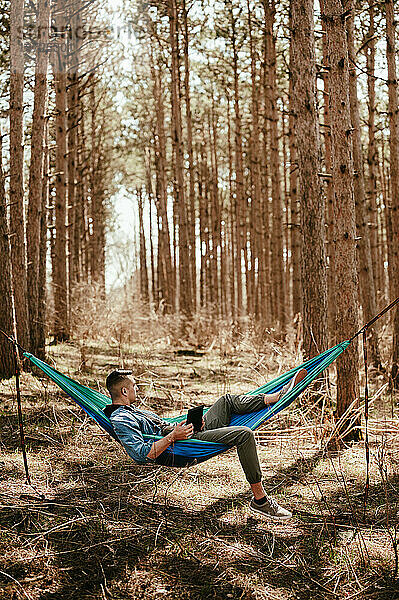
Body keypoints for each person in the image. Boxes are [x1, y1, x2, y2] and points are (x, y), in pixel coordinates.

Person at [103, 368, 307, 520]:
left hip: (182, 435)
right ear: (123, 391)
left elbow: (162, 427)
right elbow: (140, 454)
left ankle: (277, 396)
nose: (136, 389)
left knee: (227, 400)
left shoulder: (134, 410)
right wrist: (174, 436)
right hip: (179, 448)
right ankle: (260, 501)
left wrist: (185, 424)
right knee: (244, 434)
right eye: (133, 386)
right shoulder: (121, 419)